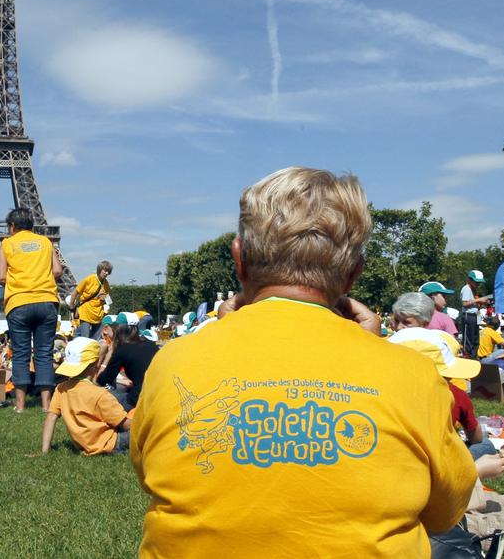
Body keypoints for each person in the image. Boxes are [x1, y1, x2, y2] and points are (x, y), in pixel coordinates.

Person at [131, 167, 475, 556]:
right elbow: (445, 509)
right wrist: (375, 352)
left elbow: (152, 472)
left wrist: (216, 342)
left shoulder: (174, 361)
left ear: (239, 260)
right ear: (354, 275)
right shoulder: (412, 373)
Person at [386, 292, 491, 459]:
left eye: (406, 322)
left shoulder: (387, 393)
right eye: (396, 321)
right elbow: (476, 437)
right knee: (485, 445)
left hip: (399, 456)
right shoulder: (455, 394)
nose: (399, 327)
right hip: (441, 457)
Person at [0, 207, 62, 412]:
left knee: (21, 354)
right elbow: (58, 270)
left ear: (12, 226)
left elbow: (1, 277)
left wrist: (19, 280)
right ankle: (46, 405)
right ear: (32, 225)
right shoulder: (45, 242)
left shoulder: (7, 243)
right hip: (46, 301)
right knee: (44, 354)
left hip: (19, 303)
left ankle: (20, 406)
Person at [31, 338, 130, 456]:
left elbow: (51, 417)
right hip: (111, 444)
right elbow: (125, 424)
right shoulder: (100, 394)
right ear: (96, 364)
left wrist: (44, 451)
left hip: (83, 445)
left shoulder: (61, 389)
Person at [96, 316, 158, 411]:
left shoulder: (122, 350)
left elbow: (102, 380)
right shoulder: (151, 345)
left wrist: (109, 356)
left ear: (119, 330)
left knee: (103, 397)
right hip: (158, 395)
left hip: (138, 399)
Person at [72, 261, 112, 340]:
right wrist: (71, 305)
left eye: (108, 271)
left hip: (98, 315)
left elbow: (109, 301)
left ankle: (75, 337)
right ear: (99, 269)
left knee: (95, 340)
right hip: (86, 312)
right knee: (85, 338)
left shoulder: (106, 284)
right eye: (105, 270)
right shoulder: (89, 279)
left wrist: (104, 299)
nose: (106, 273)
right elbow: (76, 291)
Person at [461, 269, 490, 352]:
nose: (478, 284)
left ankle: (474, 355)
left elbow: (475, 304)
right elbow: (465, 303)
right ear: (469, 280)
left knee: (476, 339)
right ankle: (468, 356)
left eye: (479, 282)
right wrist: (479, 300)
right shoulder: (466, 288)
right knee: (469, 340)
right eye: (476, 282)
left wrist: (482, 302)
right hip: (469, 315)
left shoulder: (473, 290)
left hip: (476, 314)